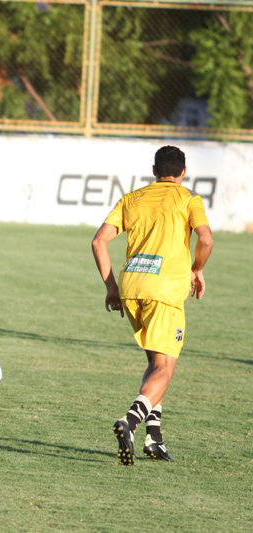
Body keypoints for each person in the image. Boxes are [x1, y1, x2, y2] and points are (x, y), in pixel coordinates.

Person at [91, 145, 213, 465]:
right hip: (164, 291)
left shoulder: (131, 199)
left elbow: (99, 240)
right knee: (165, 368)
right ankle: (129, 424)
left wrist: (110, 288)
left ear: (154, 170)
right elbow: (206, 239)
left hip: (132, 286)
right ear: (183, 172)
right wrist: (197, 269)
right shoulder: (188, 199)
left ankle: (154, 438)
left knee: (156, 364)